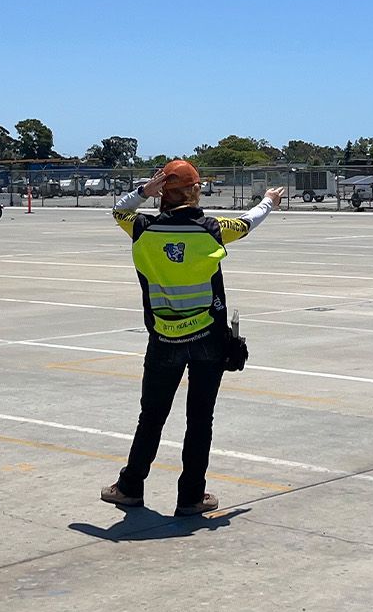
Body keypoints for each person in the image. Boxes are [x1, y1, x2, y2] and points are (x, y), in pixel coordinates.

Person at [101, 160, 283, 517]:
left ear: (162, 192)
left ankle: (130, 486)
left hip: (164, 337)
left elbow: (118, 210)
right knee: (200, 420)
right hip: (207, 339)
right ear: (196, 190)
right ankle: (190, 497)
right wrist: (268, 201)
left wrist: (142, 192)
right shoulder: (212, 229)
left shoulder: (143, 228)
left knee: (151, 416)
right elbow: (249, 221)